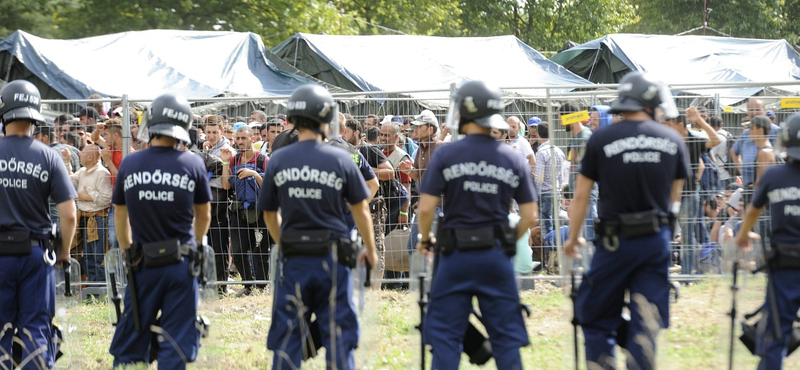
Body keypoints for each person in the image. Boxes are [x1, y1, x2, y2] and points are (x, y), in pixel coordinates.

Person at [564, 71, 690, 370]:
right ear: (650, 104)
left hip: (614, 241)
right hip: (656, 239)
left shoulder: (601, 138)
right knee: (646, 321)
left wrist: (572, 238)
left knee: (595, 316)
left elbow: (581, 196)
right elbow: (674, 198)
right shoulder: (673, 140)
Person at [417, 80, 537, 370]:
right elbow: (531, 215)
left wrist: (425, 238)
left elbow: (425, 208)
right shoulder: (512, 157)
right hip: (495, 255)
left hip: (454, 255)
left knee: (446, 337)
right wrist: (509, 240)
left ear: (462, 114)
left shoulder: (446, 154)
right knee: (506, 338)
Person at [258, 84, 378, 370]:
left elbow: (268, 213)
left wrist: (283, 242)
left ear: (292, 119)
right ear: (327, 119)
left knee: (288, 335)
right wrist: (371, 249)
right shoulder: (341, 158)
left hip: (294, 258)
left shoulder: (278, 160)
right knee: (338, 335)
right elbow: (361, 209)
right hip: (334, 259)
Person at [108, 93, 212, 369]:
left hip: (142, 263)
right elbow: (204, 214)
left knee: (132, 334)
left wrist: (127, 249)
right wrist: (197, 243)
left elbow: (120, 212)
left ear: (150, 124)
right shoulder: (192, 164)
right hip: (181, 262)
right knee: (176, 342)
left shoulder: (130, 164)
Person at [0, 80, 77, 370]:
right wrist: (65, 253)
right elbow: (69, 214)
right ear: (35, 117)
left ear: (4, 114)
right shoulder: (49, 156)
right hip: (36, 255)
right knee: (35, 331)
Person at [735, 113, 800, 370]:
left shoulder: (774, 176)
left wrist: (743, 236)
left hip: (785, 265)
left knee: (775, 332)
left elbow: (752, 211)